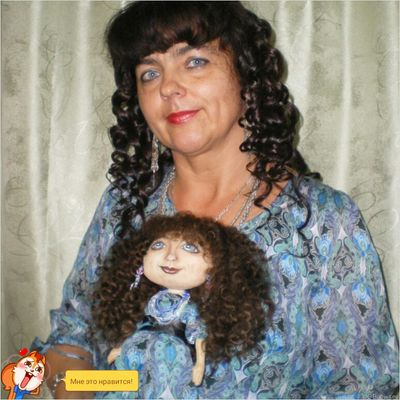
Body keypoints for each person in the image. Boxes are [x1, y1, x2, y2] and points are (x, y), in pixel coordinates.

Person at [32, 1, 399, 399]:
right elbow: (73, 338)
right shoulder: (124, 207)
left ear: (246, 74)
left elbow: (358, 387)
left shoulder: (321, 222)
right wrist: (107, 386)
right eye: (149, 72)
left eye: (194, 62)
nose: (167, 87)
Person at [91, 213, 270, 398]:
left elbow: (198, 336)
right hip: (136, 353)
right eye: (158, 245)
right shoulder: (149, 302)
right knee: (109, 386)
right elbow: (141, 324)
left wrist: (199, 364)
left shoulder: (189, 309)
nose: (170, 256)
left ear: (215, 266)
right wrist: (120, 348)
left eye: (189, 247)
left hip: (172, 358)